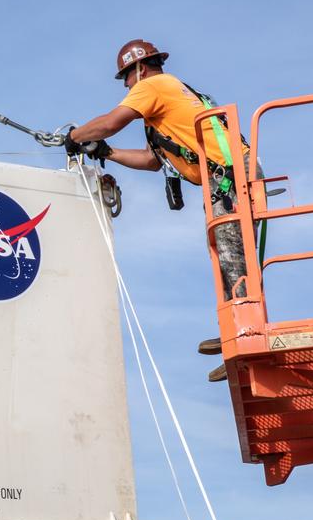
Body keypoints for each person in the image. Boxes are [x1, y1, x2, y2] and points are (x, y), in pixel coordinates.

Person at [64, 39, 250, 382]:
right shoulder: (161, 110)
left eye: (126, 76)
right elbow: (153, 161)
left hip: (231, 180)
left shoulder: (155, 85)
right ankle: (236, 334)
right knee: (226, 257)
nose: (125, 85)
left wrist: (75, 135)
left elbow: (110, 121)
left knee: (232, 258)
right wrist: (106, 152)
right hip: (226, 182)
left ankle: (246, 338)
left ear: (140, 68)